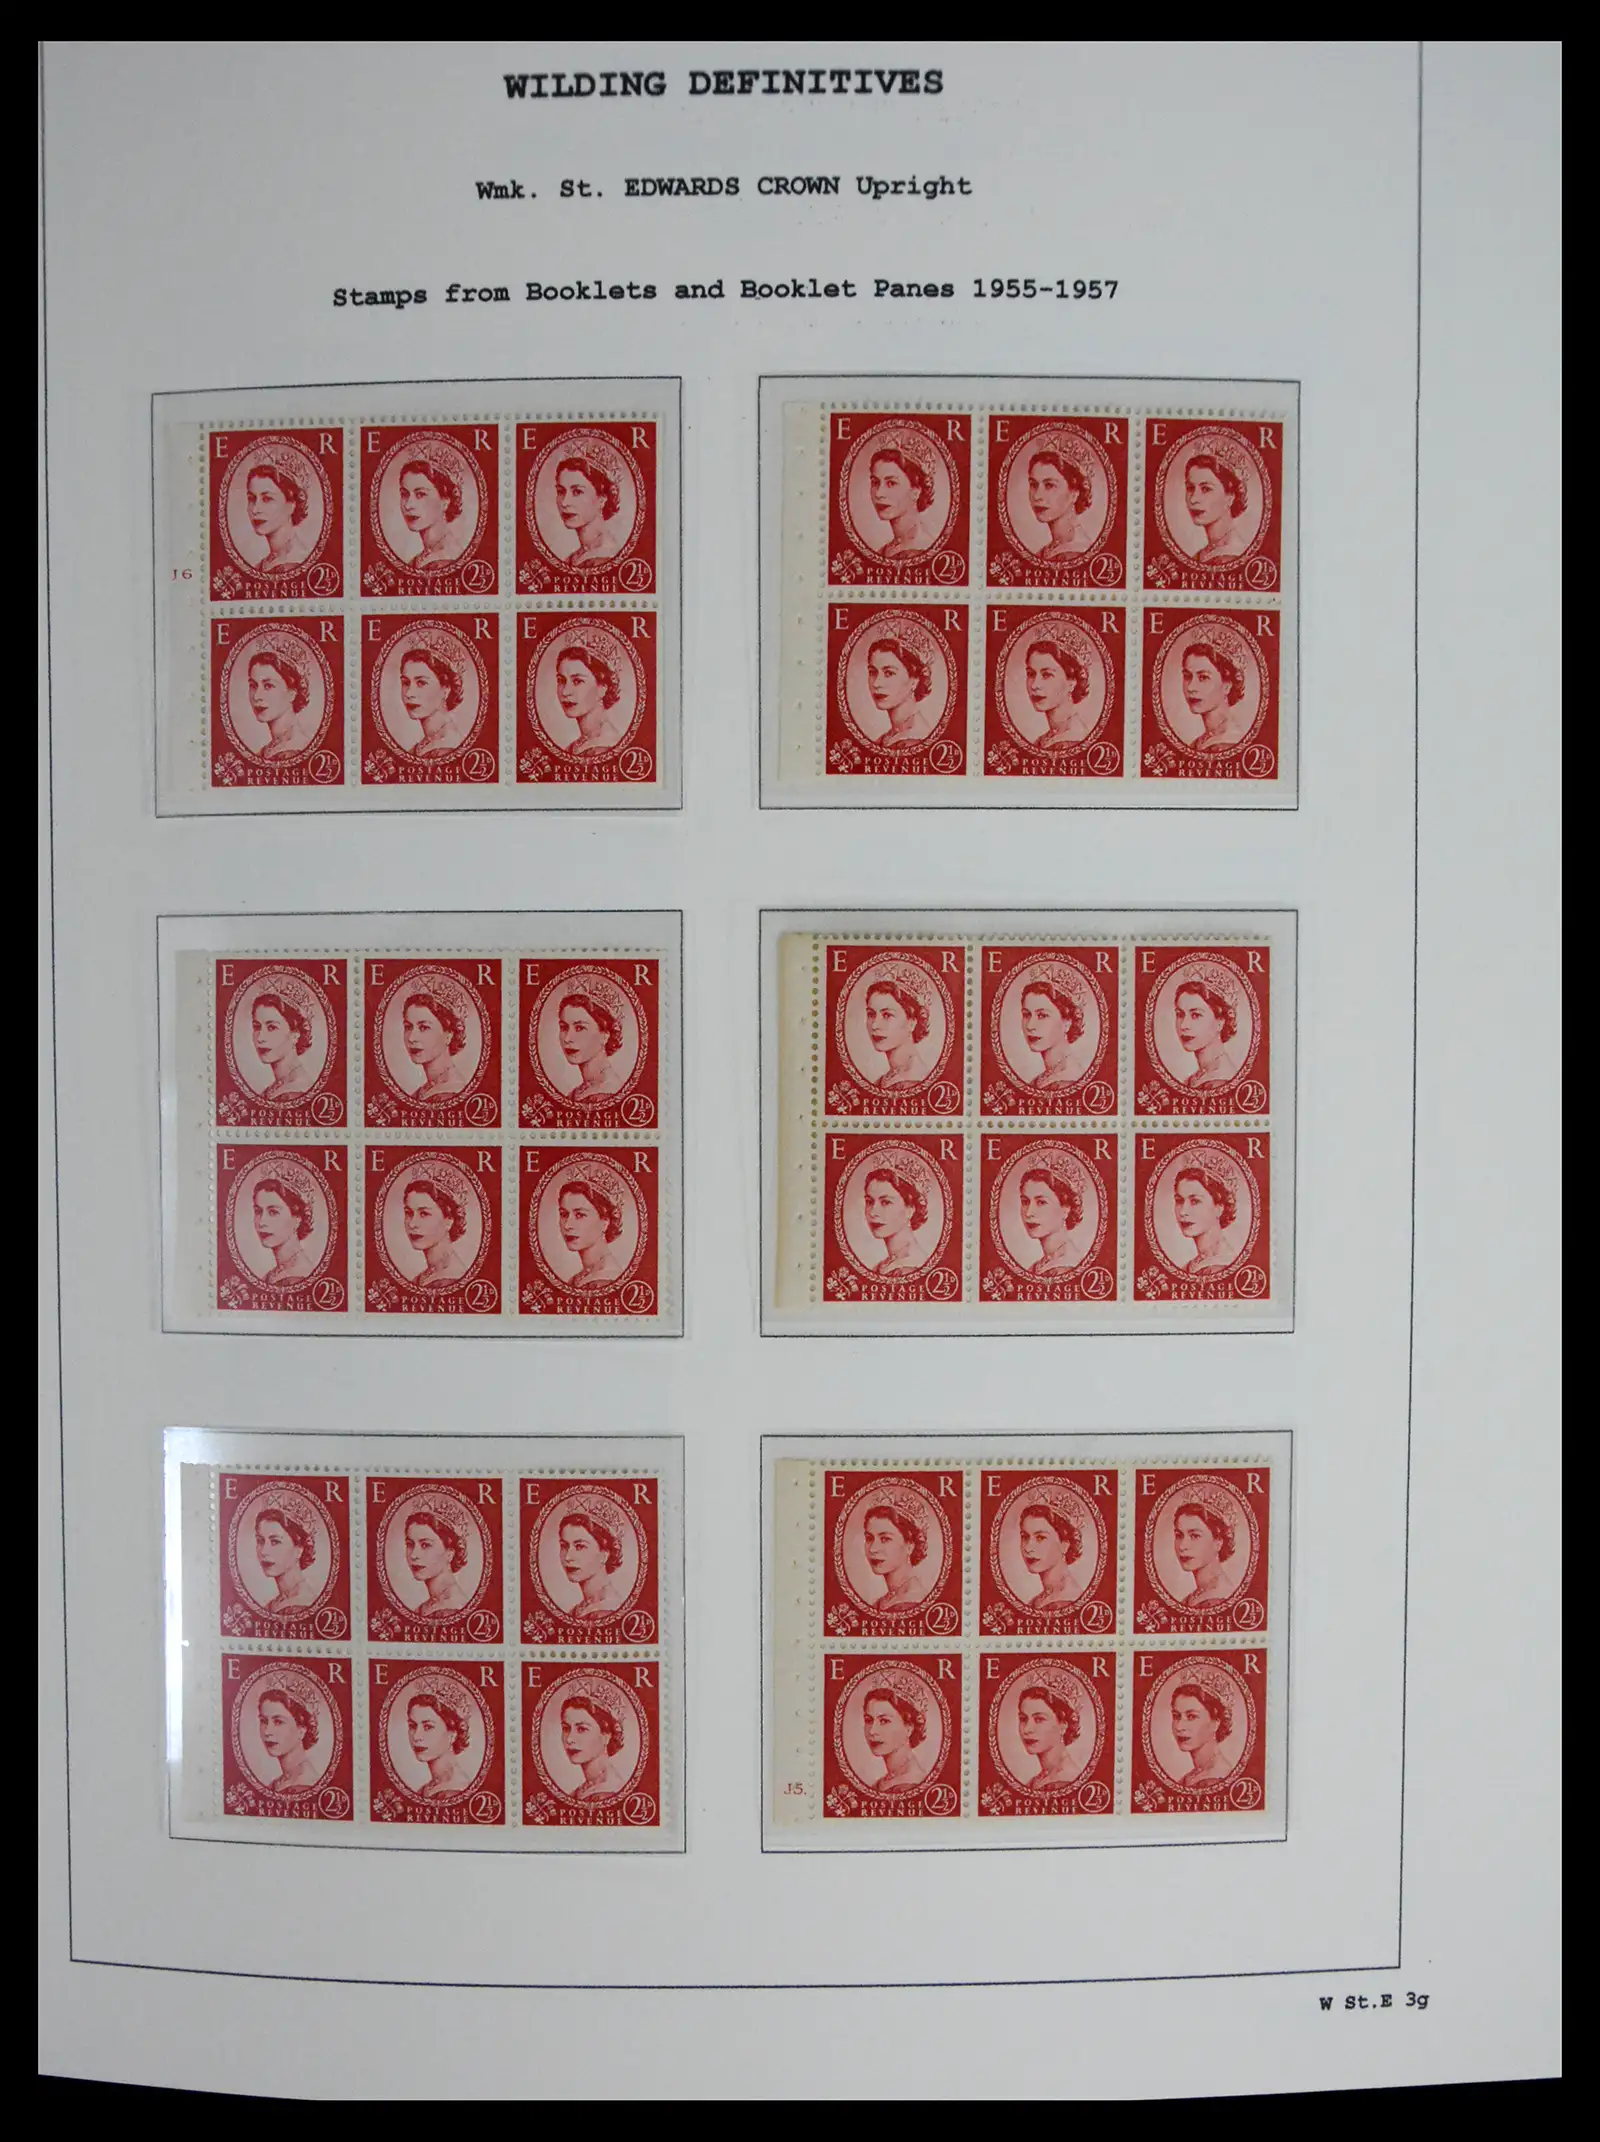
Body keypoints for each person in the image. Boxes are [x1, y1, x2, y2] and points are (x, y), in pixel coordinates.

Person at [863, 633, 941, 747]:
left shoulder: (915, 740)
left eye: (889, 673)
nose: (876, 683)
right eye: (872, 672)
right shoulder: (887, 738)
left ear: (915, 680)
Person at [1020, 636, 1099, 749]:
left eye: (1047, 675)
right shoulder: (1043, 741)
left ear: (1072, 682)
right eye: (1031, 674)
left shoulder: (1075, 739)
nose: (1034, 685)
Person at [397, 643, 474, 758]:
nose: (409, 693)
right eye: (406, 683)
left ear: (446, 689)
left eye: (421, 683)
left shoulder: (448, 747)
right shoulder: (423, 746)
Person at [243, 454, 317, 572]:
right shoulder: (261, 566)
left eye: (267, 499)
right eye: (251, 499)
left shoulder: (300, 561)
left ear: (292, 503)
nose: (255, 509)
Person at [396, 453, 472, 569]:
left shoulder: (450, 558)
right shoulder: (420, 559)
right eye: (404, 494)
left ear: (445, 501)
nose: (408, 505)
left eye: (420, 494)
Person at [860, 1494, 935, 1609]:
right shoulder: (884, 1601)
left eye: (885, 1539)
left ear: (910, 1546)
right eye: (869, 1538)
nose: (872, 1549)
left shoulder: (911, 1601)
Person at [1178, 640, 1254, 751]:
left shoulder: (1230, 742)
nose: (1190, 687)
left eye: (1203, 677)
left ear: (1227, 686)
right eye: (1187, 676)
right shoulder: (1200, 742)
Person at [554, 451, 629, 564]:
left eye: (577, 492)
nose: (564, 502)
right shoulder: (575, 558)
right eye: (560, 491)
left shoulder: (605, 557)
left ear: (602, 499)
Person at [245, 645, 319, 759]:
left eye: (268, 686)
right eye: (253, 685)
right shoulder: (268, 750)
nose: (256, 696)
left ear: (292, 694)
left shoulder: (294, 751)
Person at [865, 439, 937, 557]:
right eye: (875, 483)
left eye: (891, 483)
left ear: (916, 492)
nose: (878, 493)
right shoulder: (886, 550)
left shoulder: (924, 548)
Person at [552, 642, 626, 755]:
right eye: (561, 680)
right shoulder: (574, 747)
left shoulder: (607, 746)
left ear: (602, 688)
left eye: (577, 681)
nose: (565, 692)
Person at [555, 988, 630, 1100]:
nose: (567, 1038)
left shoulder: (609, 1093)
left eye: (580, 1028)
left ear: (605, 1035)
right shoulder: (576, 1094)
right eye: (564, 1027)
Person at [1182, 446, 1252, 565]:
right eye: (1190, 488)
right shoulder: (1202, 555)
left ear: (1230, 497)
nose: (1193, 499)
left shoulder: (1234, 555)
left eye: (1206, 489)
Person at [401, 989, 474, 1100]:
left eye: (424, 1027)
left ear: (448, 1035)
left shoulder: (450, 1093)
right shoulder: (426, 1089)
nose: (411, 1038)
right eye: (408, 1027)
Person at [557, 1176, 628, 1289]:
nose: (567, 1225)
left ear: (605, 1223)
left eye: (580, 1215)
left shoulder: (605, 1281)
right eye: (564, 1214)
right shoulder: (578, 1278)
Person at [1017, 976, 1088, 1088]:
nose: (1030, 1026)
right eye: (1026, 1015)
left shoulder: (1069, 1080)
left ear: (1067, 1022)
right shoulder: (1043, 1078)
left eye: (1042, 1015)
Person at [1026, 444, 1094, 559]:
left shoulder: (1078, 552)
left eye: (1049, 485)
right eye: (1033, 484)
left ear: (1075, 492)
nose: (1037, 496)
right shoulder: (1046, 552)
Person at [860, 1680, 930, 1793]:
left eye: (884, 1721)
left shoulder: (911, 1784)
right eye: (868, 1720)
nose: (872, 1731)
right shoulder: (883, 1782)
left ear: (909, 1728)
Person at [402, 1175, 472, 1287]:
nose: (412, 1224)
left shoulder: (450, 1280)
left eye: (424, 1214)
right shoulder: (424, 1278)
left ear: (449, 1221)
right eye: (408, 1213)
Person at [861, 1164, 931, 1277]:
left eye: (886, 1202)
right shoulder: (883, 1266)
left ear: (910, 1209)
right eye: (869, 1202)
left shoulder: (909, 1269)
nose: (873, 1212)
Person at [863, 976, 932, 1089]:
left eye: (887, 1015)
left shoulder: (915, 1080)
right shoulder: (885, 1080)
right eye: (871, 1014)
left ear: (912, 1022)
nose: (874, 1025)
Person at [1017, 1165, 1086, 1277]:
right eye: (1025, 1202)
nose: (1029, 1213)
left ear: (1065, 1209)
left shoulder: (1066, 1267)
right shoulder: (1038, 1266)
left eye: (1041, 1202)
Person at [558, 1508, 629, 1616]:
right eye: (564, 1546)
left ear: (605, 1554)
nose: (568, 1557)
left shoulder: (606, 1611)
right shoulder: (579, 1610)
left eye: (580, 1546)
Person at [251, 1175, 320, 1287]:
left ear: (297, 1219)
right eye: (258, 1211)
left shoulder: (299, 1276)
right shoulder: (272, 1275)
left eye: (273, 1212)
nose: (261, 1222)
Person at [560, 1690, 630, 1798]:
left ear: (606, 1735)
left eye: (582, 1729)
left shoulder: (609, 1792)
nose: (569, 1739)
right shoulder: (582, 1791)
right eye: (566, 1728)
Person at [1172, 1164, 1239, 1275]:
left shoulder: (1224, 1266)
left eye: (1195, 1201)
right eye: (1179, 1201)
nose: (1183, 1212)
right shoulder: (1190, 1267)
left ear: (1219, 1208)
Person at [253, 1501, 320, 1613]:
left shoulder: (299, 1606)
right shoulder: (275, 1604)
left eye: (275, 1542)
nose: (263, 1551)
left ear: (299, 1548)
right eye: (260, 1541)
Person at [250, 989, 317, 1101]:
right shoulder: (275, 1088)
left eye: (272, 1027)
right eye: (257, 1027)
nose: (260, 1038)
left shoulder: (294, 1093)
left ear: (295, 1035)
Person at [404, 1505, 472, 1616]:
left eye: (425, 1545)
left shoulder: (453, 1608)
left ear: (450, 1553)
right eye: (410, 1544)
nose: (413, 1555)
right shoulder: (424, 1608)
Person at [1016, 1498, 1086, 1605]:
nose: (1028, 1548)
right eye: (1025, 1537)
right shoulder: (1040, 1600)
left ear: (1065, 1545)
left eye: (1040, 1538)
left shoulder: (1067, 1600)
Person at [1171, 1498, 1238, 1606]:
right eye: (1179, 1535)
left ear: (1218, 1542)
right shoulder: (1197, 1596)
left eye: (1195, 1536)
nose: (1182, 1546)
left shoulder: (1218, 1599)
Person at [407, 1687, 472, 1797]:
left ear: (453, 1734)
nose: (416, 1736)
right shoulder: (428, 1788)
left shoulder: (455, 1791)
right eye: (413, 1726)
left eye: (428, 1727)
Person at [1173, 980, 1240, 1087]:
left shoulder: (1221, 1081)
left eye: (1196, 1015)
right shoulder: (1195, 1079)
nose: (1183, 1026)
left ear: (1220, 1022)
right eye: (1180, 1014)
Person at [1169, 1679, 1234, 1788]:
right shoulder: (1193, 1776)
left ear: (1215, 1723)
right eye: (1176, 1716)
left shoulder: (1216, 1778)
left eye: (1191, 1716)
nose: (1179, 1727)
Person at [256, 1684, 321, 1792]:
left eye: (278, 1722)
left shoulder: (307, 1784)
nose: (267, 1732)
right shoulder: (277, 1785)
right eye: (263, 1721)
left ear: (301, 1730)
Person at [1016, 1682, 1082, 1788]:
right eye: (1023, 1719)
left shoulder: (1065, 1781)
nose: (1027, 1729)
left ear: (1063, 1726)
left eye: (1039, 1719)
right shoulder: (1038, 1780)